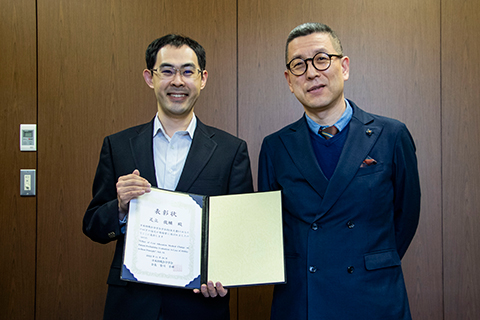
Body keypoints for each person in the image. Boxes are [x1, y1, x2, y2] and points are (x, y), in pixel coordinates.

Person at [83, 34, 253, 320]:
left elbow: (241, 232)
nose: (178, 81)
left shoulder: (231, 150)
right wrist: (121, 207)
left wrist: (225, 275)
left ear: (203, 78)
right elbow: (93, 225)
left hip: (200, 306)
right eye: (167, 71)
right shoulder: (118, 145)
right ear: (150, 78)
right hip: (132, 305)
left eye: (188, 71)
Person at [258, 22, 421, 320]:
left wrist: (369, 261)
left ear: (343, 67)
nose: (311, 72)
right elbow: (272, 229)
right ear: (289, 80)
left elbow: (406, 215)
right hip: (303, 299)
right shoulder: (275, 146)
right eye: (298, 65)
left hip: (373, 297)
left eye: (322, 59)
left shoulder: (392, 135)